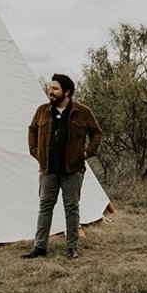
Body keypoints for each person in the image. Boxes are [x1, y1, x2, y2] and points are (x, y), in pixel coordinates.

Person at [22, 73, 101, 259]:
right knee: (45, 207)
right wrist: (36, 152)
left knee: (71, 208)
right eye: (50, 88)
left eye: (55, 88)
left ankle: (72, 247)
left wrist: (87, 152)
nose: (50, 91)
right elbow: (32, 129)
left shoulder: (82, 112)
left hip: (72, 170)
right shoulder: (42, 111)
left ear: (67, 92)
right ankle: (39, 247)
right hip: (48, 169)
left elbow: (97, 133)